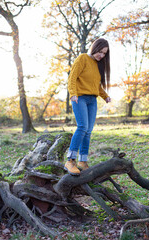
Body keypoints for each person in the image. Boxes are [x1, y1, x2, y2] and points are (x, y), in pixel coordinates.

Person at [64, 38, 111, 175]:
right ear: (95, 47)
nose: (101, 55)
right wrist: (73, 93)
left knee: (88, 131)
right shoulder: (83, 58)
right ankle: (70, 160)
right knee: (82, 127)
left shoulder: (97, 65)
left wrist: (105, 96)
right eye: (100, 52)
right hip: (79, 98)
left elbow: (96, 86)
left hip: (92, 100)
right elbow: (72, 77)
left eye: (104, 54)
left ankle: (82, 161)